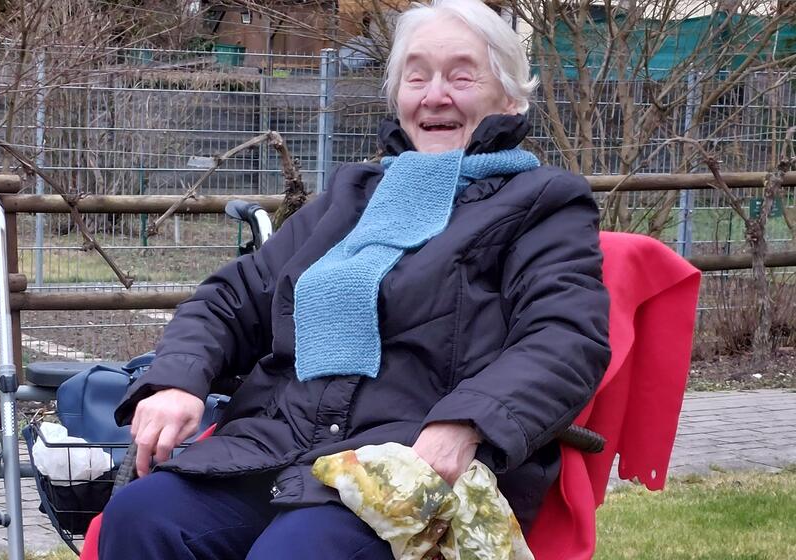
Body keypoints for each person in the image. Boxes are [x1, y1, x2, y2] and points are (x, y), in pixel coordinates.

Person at [98, 0, 611, 557]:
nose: (435, 95)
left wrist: (465, 423)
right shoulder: (351, 197)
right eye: (417, 76)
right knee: (143, 517)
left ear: (509, 98)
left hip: (409, 465)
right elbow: (230, 298)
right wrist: (177, 380)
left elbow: (564, 338)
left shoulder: (544, 203)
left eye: (462, 77)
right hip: (279, 446)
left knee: (295, 553)